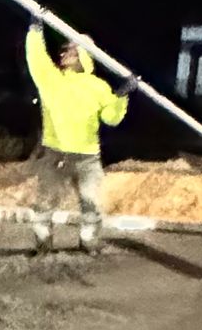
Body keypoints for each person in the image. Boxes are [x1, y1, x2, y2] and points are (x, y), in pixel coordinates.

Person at [24, 27, 133, 252]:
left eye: (71, 49)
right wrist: (35, 30)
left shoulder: (98, 87)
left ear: (84, 55)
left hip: (88, 157)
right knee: (45, 201)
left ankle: (89, 242)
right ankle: (43, 244)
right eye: (64, 49)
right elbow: (36, 56)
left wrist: (121, 96)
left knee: (90, 203)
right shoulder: (51, 79)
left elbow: (111, 118)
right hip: (55, 154)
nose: (64, 53)